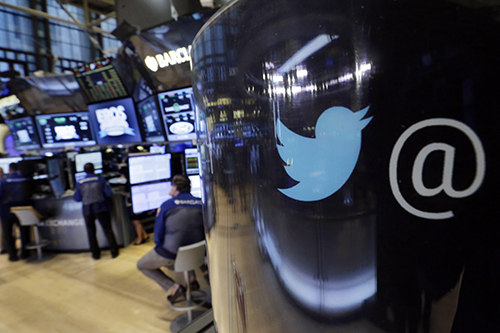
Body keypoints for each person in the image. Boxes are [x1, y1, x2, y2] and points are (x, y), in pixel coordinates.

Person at [137, 174, 205, 304]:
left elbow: (157, 237)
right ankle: (191, 279)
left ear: (174, 188)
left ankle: (175, 288)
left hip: (171, 253)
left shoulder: (167, 206)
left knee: (142, 265)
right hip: (197, 252)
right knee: (186, 248)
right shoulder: (200, 203)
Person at [73, 162, 119, 259]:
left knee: (91, 232)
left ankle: (95, 254)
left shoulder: (80, 182)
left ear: (84, 171)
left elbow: (77, 198)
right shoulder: (101, 180)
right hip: (101, 207)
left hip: (87, 210)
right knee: (108, 230)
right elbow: (108, 193)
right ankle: (114, 252)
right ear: (94, 169)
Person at [0, 163, 31, 261]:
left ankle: (13, 255)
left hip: (6, 211)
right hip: (23, 210)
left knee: (8, 233)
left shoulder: (3, 182)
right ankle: (25, 253)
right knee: (24, 232)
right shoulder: (25, 179)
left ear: (9, 170)